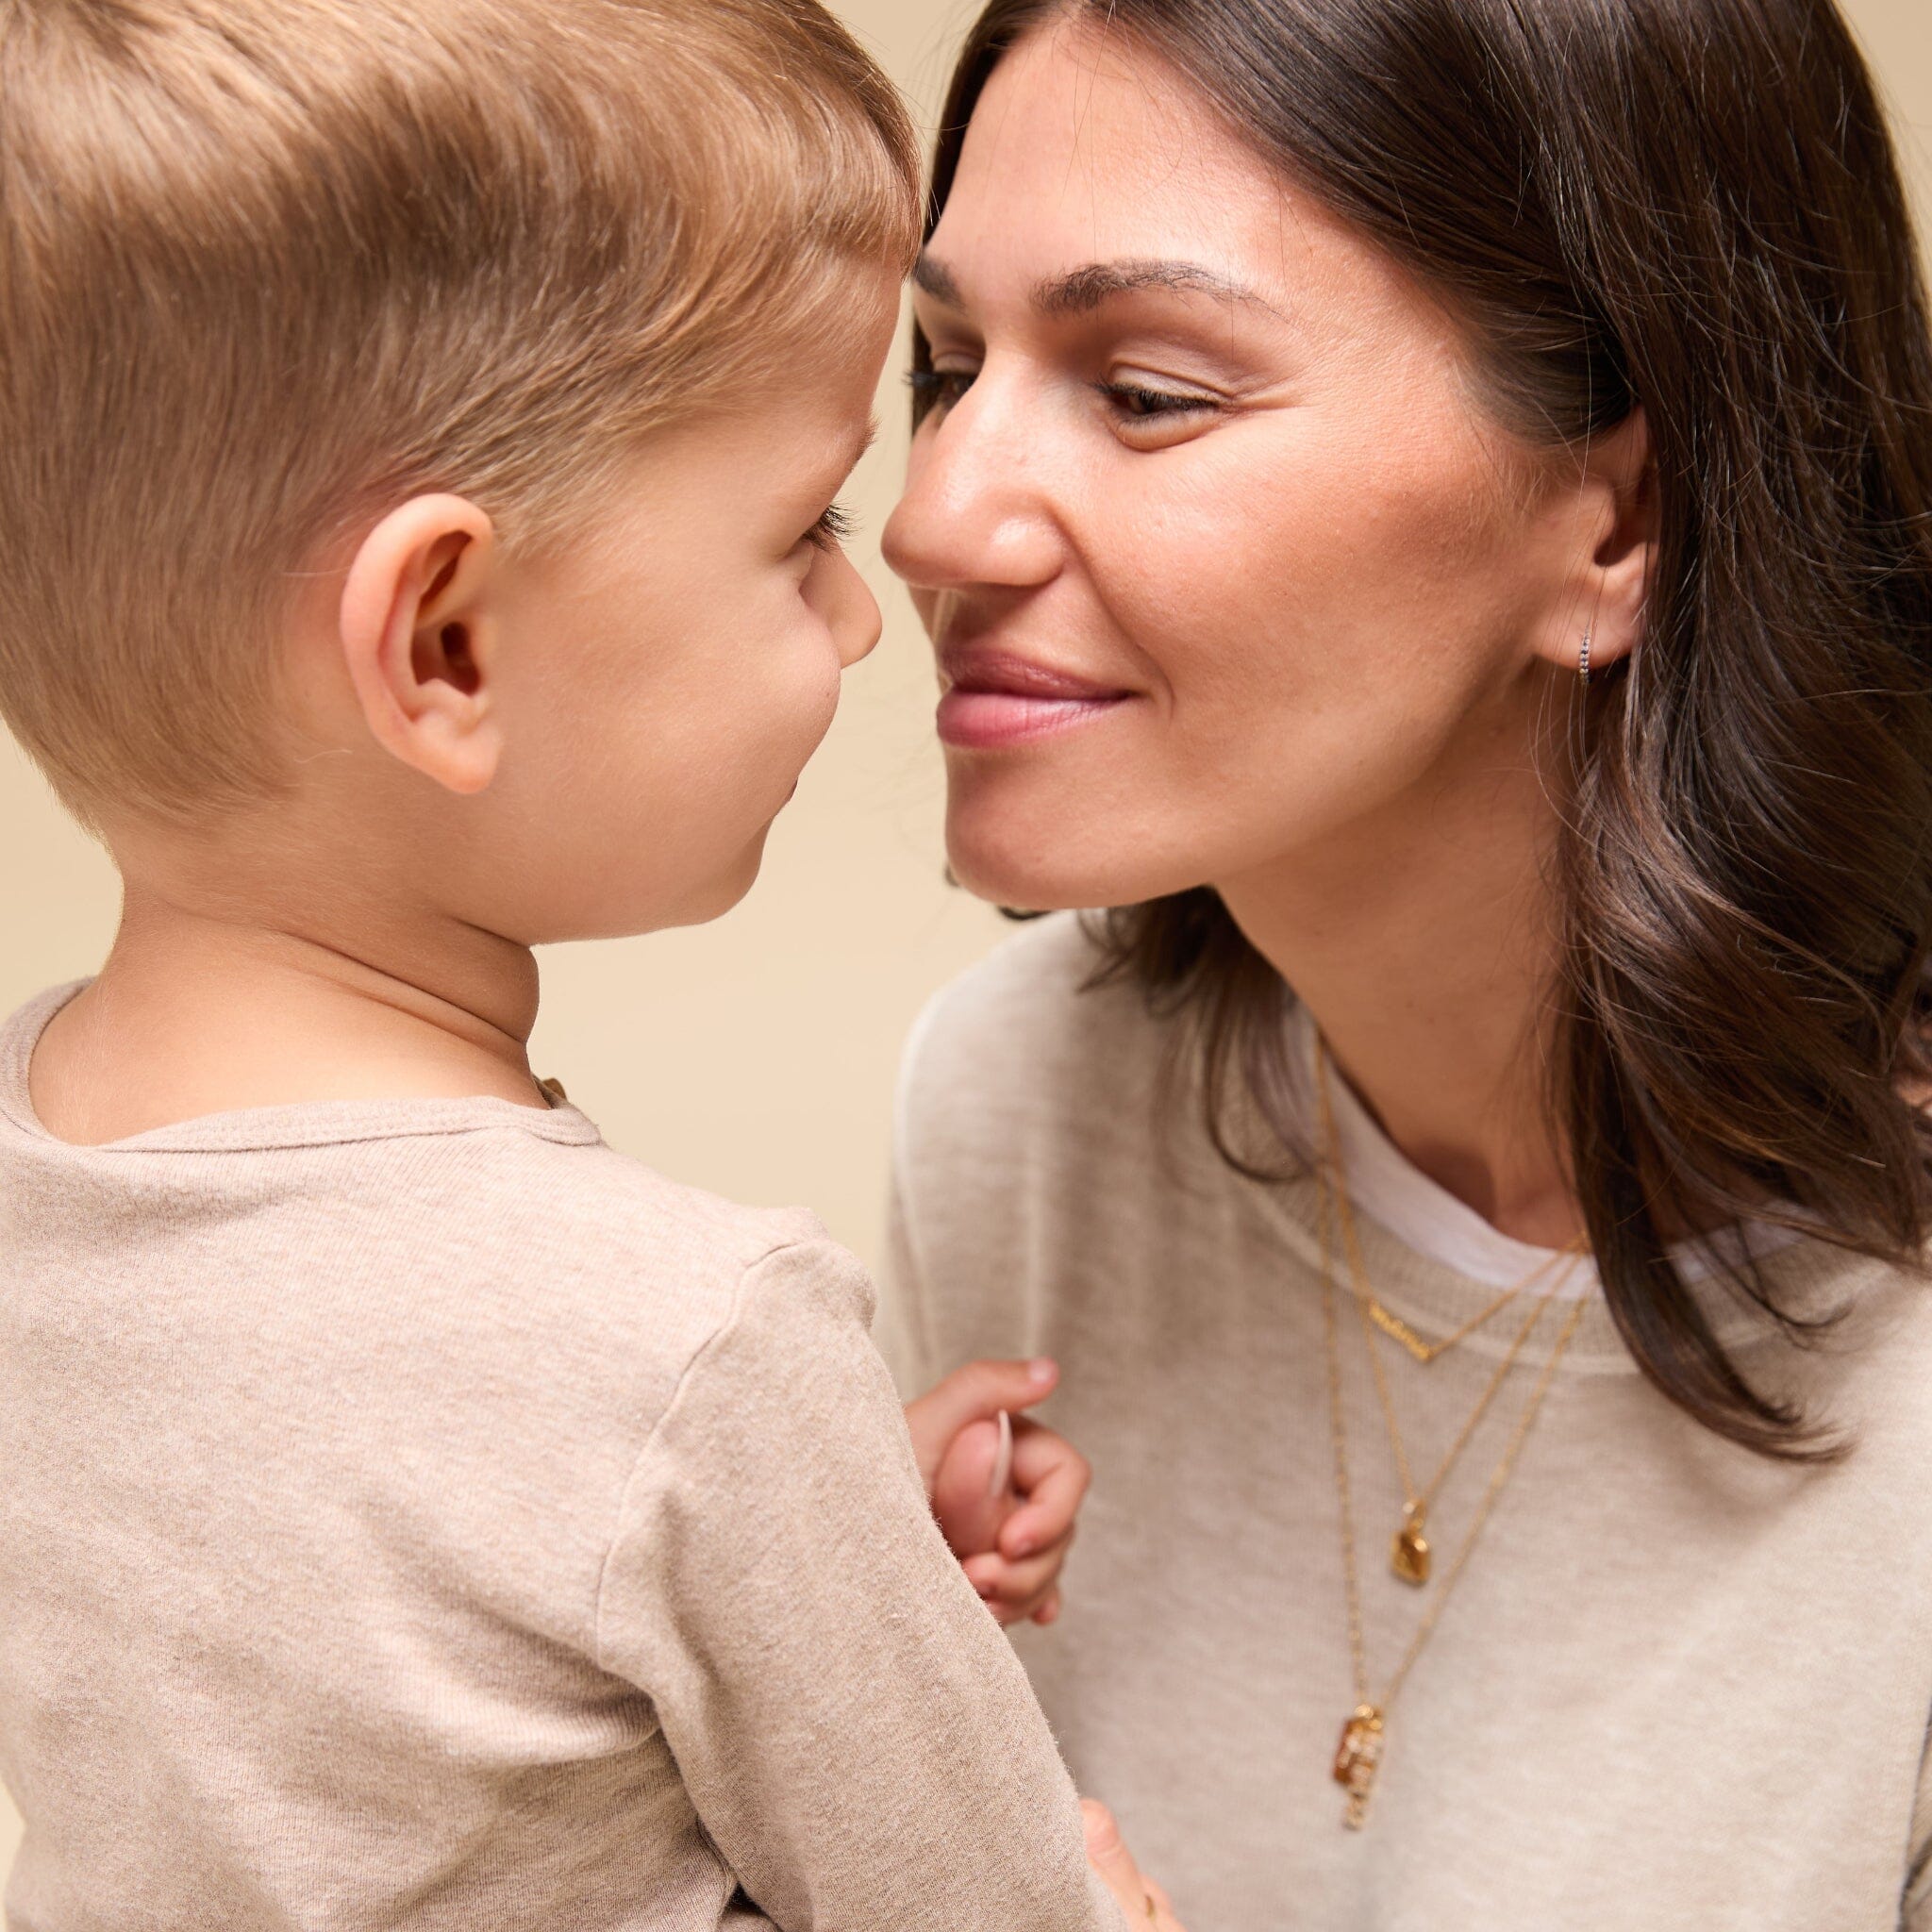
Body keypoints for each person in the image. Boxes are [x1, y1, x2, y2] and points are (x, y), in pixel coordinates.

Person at [0, 1, 1174, 1925]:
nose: (864, 611)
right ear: (444, 645)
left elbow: (359, 1675)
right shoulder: (694, 1343)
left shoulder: (35, 1180)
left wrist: (805, 1566)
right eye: (801, 529)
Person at [874, 0, 1932, 1926]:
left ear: (1618, 519)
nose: (929, 518)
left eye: (1149, 393)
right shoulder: (1023, 1105)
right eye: (947, 368)